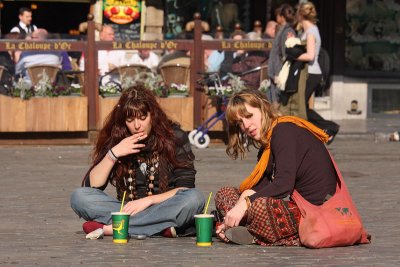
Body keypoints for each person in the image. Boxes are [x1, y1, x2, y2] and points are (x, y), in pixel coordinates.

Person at [70, 85, 205, 238]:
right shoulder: (117, 138)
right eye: (130, 119)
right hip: (127, 209)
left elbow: (185, 188)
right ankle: (159, 228)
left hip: (164, 205)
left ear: (152, 115)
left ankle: (116, 227)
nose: (137, 126)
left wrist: (148, 201)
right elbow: (91, 186)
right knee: (78, 196)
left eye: (142, 118)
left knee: (195, 199)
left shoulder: (175, 136)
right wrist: (113, 154)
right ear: (123, 121)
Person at [214, 89, 337, 246]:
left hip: (316, 211)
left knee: (260, 207)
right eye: (239, 123)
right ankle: (240, 229)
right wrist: (239, 206)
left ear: (263, 108)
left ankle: (250, 232)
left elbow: (284, 184)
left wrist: (245, 204)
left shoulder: (283, 130)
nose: (245, 126)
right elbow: (260, 187)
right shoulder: (267, 145)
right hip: (298, 208)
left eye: (249, 116)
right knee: (225, 194)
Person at [295, 1, 339, 144]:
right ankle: (324, 130)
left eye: (297, 13)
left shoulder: (310, 32)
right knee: (303, 107)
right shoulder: (310, 30)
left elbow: (310, 55)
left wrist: (292, 55)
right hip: (310, 73)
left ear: (301, 15)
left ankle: (330, 128)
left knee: (301, 106)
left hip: (311, 73)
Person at [267, 4, 296, 108]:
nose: (276, 17)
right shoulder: (282, 30)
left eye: (278, 15)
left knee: (277, 104)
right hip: (276, 71)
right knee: (273, 102)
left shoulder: (287, 31)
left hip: (280, 72)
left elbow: (285, 55)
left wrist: (278, 74)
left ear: (282, 17)